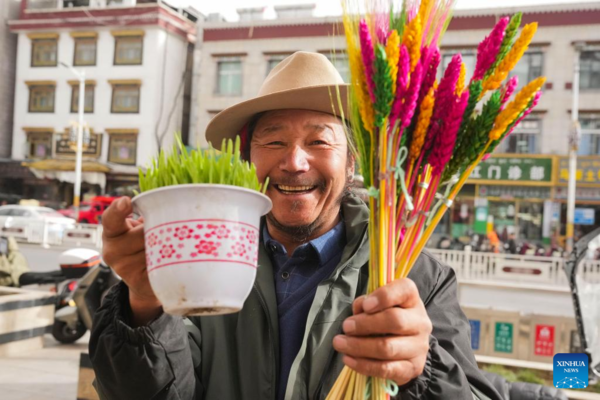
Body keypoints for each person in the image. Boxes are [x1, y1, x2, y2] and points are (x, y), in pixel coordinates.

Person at [90, 52, 501, 400]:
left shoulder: (412, 274)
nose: (295, 162)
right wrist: (144, 303)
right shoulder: (200, 258)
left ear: (352, 162)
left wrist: (419, 368)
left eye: (319, 141)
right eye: (273, 141)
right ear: (248, 159)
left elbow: (472, 391)